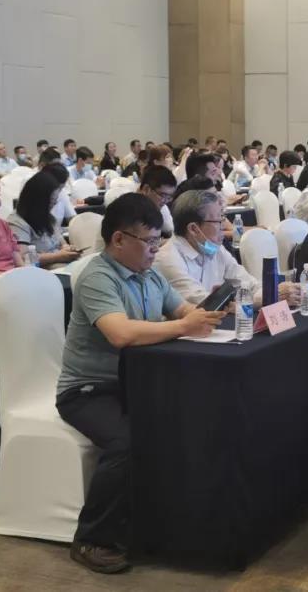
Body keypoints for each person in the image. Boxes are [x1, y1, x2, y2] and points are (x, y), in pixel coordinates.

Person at [56, 193, 226, 574]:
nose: (155, 250)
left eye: (157, 240)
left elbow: (182, 310)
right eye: (148, 242)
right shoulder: (97, 277)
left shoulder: (149, 273)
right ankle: (91, 538)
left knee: (191, 417)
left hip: (138, 382)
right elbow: (120, 334)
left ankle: (165, 523)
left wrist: (207, 313)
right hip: (89, 390)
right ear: (119, 239)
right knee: (128, 440)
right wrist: (183, 326)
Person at [155, 189, 298, 307]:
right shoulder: (168, 259)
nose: (223, 226)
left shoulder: (214, 248)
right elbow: (205, 304)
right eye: (218, 221)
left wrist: (275, 292)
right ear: (193, 229)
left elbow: (249, 284)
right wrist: (268, 297)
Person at [8, 171, 82, 267]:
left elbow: (62, 243)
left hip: (62, 265)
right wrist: (58, 256)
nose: (53, 205)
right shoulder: (17, 222)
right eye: (51, 201)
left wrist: (68, 249)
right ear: (38, 200)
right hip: (43, 270)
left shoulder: (48, 218)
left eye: (55, 201)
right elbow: (23, 257)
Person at [138, 165, 177, 237]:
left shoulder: (161, 208)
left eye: (169, 197)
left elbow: (171, 232)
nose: (166, 201)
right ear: (146, 189)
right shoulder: (126, 207)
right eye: (163, 195)